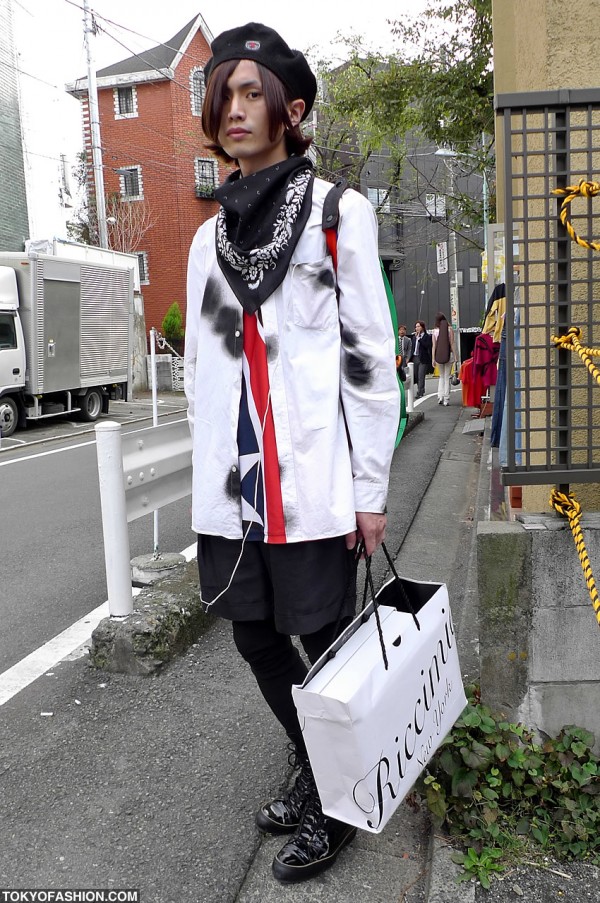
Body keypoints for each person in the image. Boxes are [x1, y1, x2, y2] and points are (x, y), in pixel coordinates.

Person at [183, 23, 399, 885]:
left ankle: (338, 802)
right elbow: (205, 367)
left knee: (324, 636)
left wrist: (372, 488)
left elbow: (368, 361)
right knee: (254, 639)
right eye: (222, 94)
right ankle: (317, 765)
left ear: (291, 107)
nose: (232, 110)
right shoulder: (206, 240)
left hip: (312, 484)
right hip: (233, 491)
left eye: (249, 92)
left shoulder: (337, 214)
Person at [431, 312, 456, 406]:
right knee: (447, 376)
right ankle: (446, 399)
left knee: (441, 376)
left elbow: (434, 346)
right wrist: (456, 356)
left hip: (438, 356)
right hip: (448, 355)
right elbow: (452, 343)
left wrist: (433, 358)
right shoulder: (449, 329)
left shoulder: (435, 331)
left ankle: (440, 396)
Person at [411, 320, 432, 398]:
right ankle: (420, 389)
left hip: (423, 358)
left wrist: (420, 339)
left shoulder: (427, 336)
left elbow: (427, 346)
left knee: (421, 375)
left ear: (422, 327)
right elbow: (412, 348)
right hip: (415, 357)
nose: (417, 328)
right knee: (416, 376)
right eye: (416, 327)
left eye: (419, 326)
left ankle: (420, 391)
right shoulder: (414, 337)